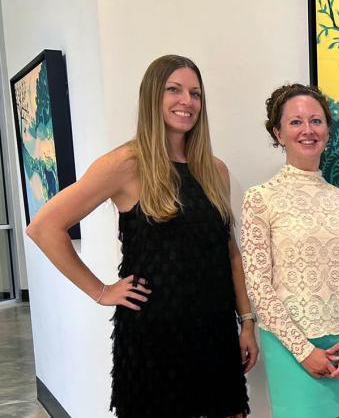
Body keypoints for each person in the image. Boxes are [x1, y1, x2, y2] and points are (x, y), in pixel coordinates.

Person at [26, 55, 258, 418]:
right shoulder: (125, 165)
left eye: (195, 93)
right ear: (153, 96)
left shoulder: (215, 170)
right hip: (154, 337)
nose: (187, 101)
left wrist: (246, 321)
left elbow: (230, 254)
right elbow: (43, 227)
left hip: (214, 332)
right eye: (174, 90)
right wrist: (100, 291)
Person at [240, 84, 339, 418]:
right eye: (296, 122)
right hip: (290, 346)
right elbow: (258, 286)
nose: (308, 130)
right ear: (278, 133)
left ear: (327, 131)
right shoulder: (260, 199)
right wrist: (302, 350)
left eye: (316, 121)